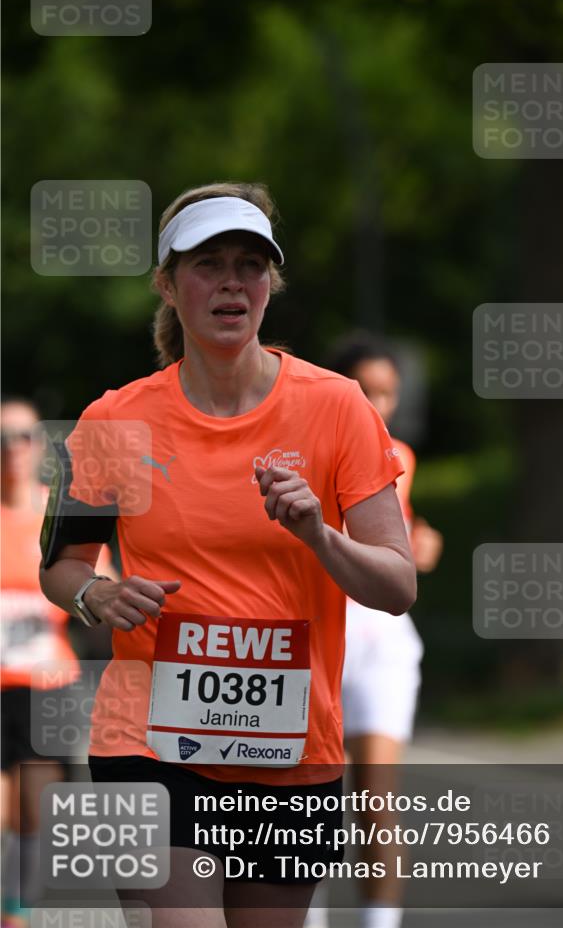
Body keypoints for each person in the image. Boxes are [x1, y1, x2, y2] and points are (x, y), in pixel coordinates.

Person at [39, 182, 417, 928]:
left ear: (270, 286)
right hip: (146, 743)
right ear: (168, 285)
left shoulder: (336, 407)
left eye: (250, 265)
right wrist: (97, 596)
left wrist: (318, 534)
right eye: (208, 264)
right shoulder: (114, 420)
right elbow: (61, 564)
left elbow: (397, 584)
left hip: (290, 751)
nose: (231, 283)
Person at [311, 333, 443, 928]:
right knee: (305, 802)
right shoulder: (305, 451)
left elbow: (397, 539)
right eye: (366, 390)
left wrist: (423, 544)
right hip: (317, 632)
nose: (378, 404)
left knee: (376, 800)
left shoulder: (403, 457)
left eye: (388, 393)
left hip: (380, 641)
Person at [1, 398, 114, 928]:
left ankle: (17, 910)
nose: (12, 450)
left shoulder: (56, 512)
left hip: (46, 687)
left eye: (22, 437)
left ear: (38, 447)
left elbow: (98, 591)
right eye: (1, 440)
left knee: (31, 814)